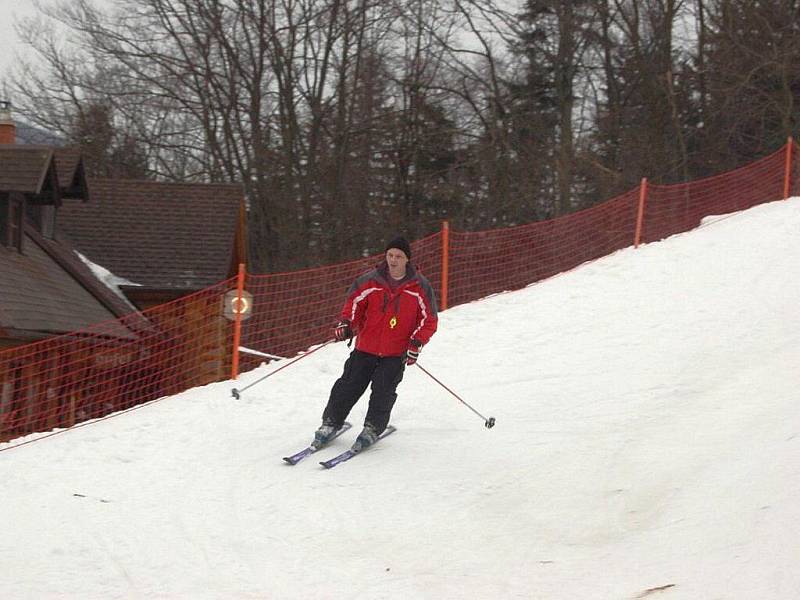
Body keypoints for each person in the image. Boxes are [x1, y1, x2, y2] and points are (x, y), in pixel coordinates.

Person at [312, 236, 438, 452]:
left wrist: (416, 343)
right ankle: (330, 422)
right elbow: (353, 306)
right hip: (365, 347)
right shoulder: (370, 281)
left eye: (399, 256)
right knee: (348, 385)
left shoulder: (419, 287)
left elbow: (429, 320)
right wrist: (346, 324)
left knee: (383, 390)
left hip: (394, 352)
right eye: (390, 255)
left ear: (407, 259)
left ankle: (373, 427)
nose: (393, 260)